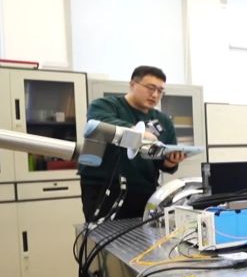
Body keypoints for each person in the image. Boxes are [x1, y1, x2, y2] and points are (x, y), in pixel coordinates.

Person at [79, 66, 187, 222]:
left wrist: (171, 161)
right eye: (150, 88)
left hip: (144, 190)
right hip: (103, 187)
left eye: (160, 91)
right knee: (103, 233)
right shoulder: (104, 106)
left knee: (142, 234)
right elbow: (99, 124)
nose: (155, 95)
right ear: (132, 84)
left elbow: (163, 160)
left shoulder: (163, 121)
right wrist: (138, 133)